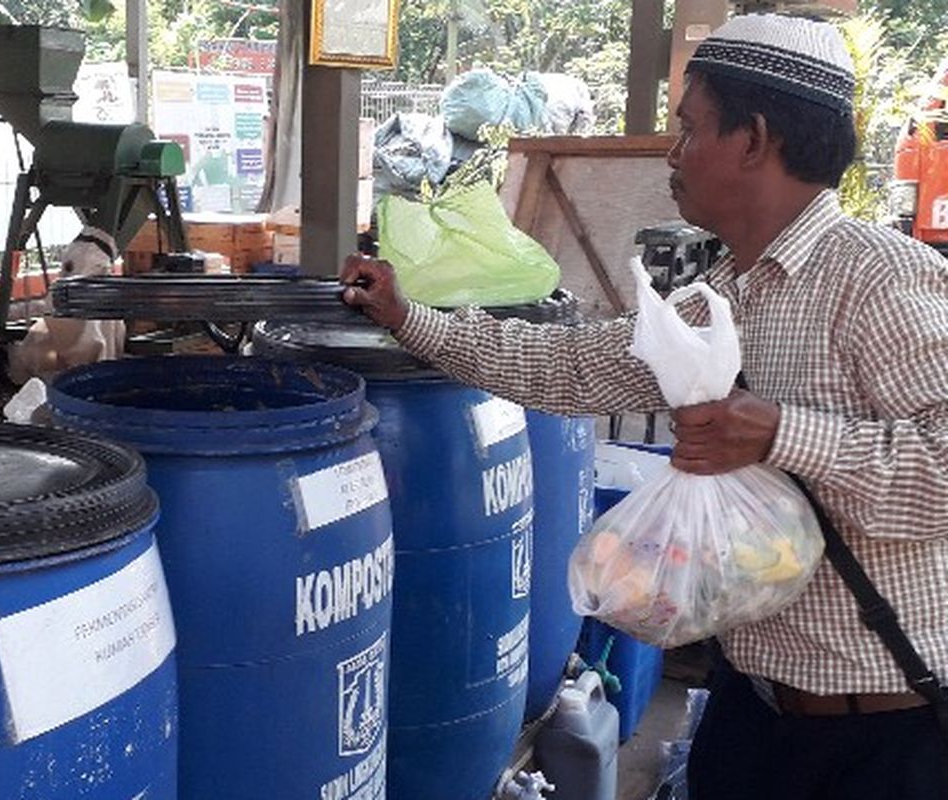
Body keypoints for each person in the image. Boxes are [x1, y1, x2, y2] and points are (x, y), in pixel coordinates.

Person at [341, 13, 948, 800]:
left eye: (689, 129)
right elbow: (571, 367)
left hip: (886, 737)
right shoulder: (721, 300)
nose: (673, 153)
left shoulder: (881, 281)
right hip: (752, 711)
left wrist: (781, 435)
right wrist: (408, 317)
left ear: (755, 139)